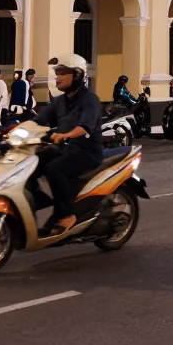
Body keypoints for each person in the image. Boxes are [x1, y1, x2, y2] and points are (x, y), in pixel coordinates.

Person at [35, 52, 103, 236]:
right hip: (65, 148)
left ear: (78, 75)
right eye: (57, 73)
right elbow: (38, 120)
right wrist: (13, 129)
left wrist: (65, 135)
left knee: (55, 169)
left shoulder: (90, 100)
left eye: (63, 73)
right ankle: (36, 200)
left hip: (87, 151)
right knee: (32, 161)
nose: (58, 78)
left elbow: (85, 127)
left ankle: (66, 215)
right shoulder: (59, 102)